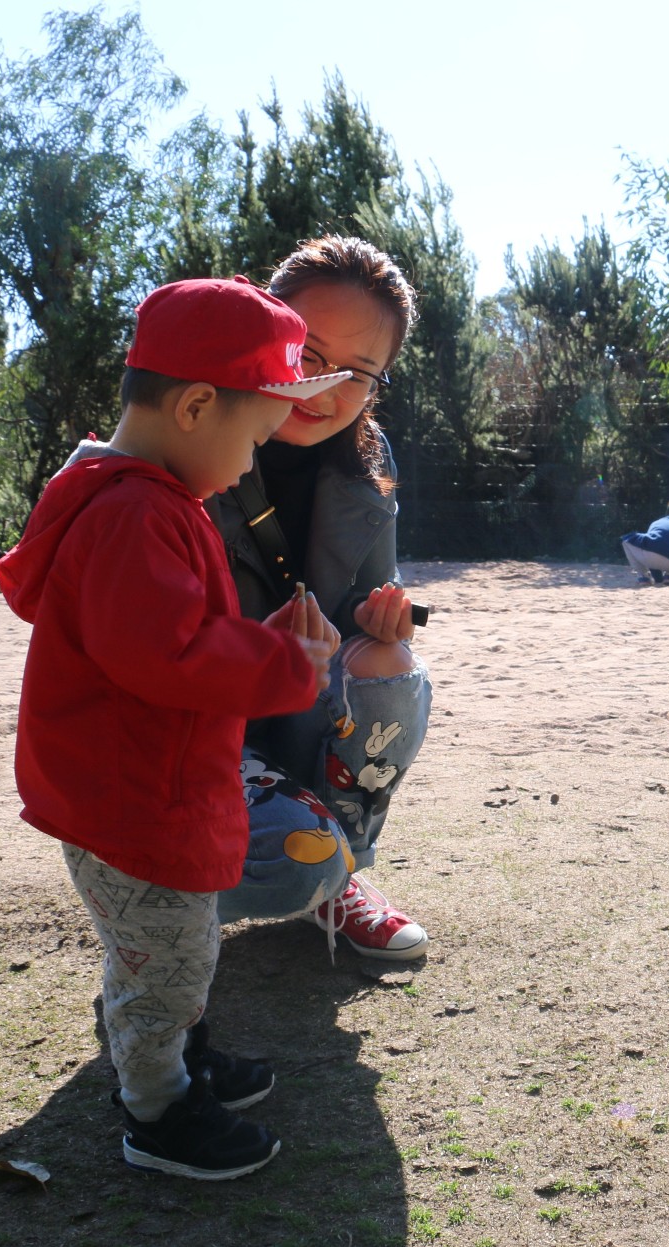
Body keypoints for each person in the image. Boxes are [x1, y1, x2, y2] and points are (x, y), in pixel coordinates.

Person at [0, 276, 354, 1180]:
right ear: (197, 405)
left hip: (139, 789)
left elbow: (176, 636)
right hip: (132, 804)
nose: (250, 467)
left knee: (174, 947)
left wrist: (256, 641)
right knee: (168, 960)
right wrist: (282, 666)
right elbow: (164, 656)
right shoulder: (133, 513)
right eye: (254, 439)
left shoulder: (143, 500)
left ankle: (180, 1058)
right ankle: (156, 1107)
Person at [203, 237, 435, 962]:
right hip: (188, 728)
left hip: (282, 707)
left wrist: (375, 618)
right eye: (307, 353)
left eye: (359, 372)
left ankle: (343, 876)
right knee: (299, 857)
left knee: (391, 663)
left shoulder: (370, 462)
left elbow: (358, 618)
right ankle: (157, 898)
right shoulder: (190, 436)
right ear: (265, 330)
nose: (327, 387)